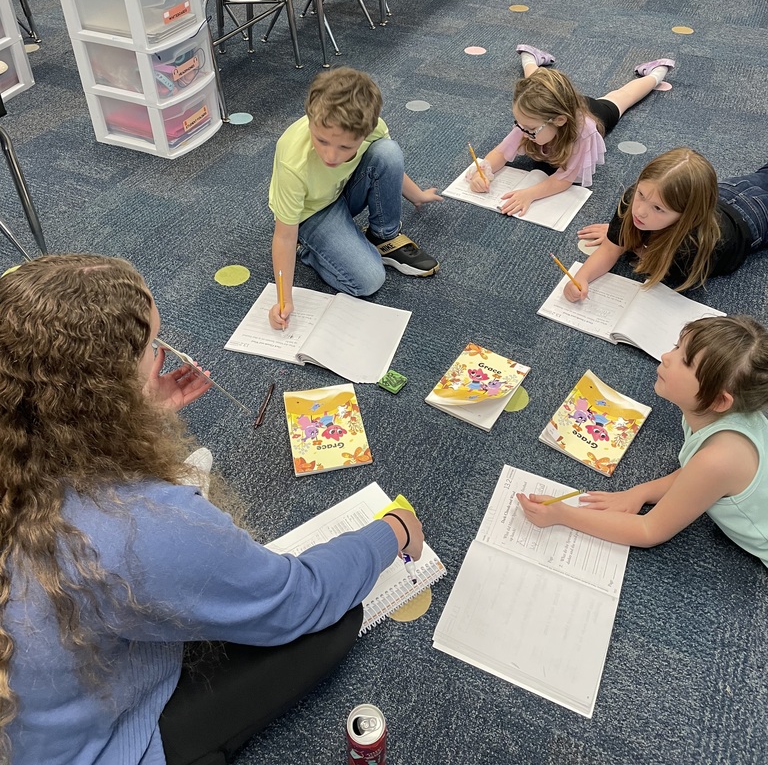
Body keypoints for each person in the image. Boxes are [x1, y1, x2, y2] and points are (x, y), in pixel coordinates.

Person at [0, 254, 424, 765]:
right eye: (153, 346)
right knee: (332, 618)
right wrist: (391, 533)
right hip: (95, 749)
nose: (164, 354)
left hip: (31, 722)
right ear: (105, 392)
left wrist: (139, 417)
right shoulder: (137, 524)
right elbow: (297, 597)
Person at [517, 315, 768, 568]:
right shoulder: (720, 416)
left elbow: (649, 530)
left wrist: (562, 514)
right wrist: (641, 492)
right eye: (676, 346)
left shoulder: (718, 459)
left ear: (719, 400)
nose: (666, 357)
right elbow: (693, 473)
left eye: (685, 362)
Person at [268, 66, 442, 330]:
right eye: (321, 140)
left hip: (342, 190)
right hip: (312, 214)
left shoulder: (371, 128)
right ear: (310, 120)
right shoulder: (294, 161)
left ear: (364, 133)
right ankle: (312, 252)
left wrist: (416, 195)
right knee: (369, 281)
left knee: (388, 151)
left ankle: (383, 236)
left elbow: (386, 165)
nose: (330, 156)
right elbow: (284, 236)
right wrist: (284, 299)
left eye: (345, 147)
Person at [465, 44, 673, 217]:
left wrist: (529, 194)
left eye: (528, 128)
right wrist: (484, 171)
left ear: (559, 121)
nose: (521, 130)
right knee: (534, 84)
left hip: (594, 112)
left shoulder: (585, 132)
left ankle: (656, 72)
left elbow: (564, 178)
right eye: (520, 124)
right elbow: (501, 152)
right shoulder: (530, 119)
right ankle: (530, 57)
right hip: (552, 105)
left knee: (623, 97)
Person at [565, 148, 768, 301]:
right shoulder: (634, 201)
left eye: (658, 209)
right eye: (641, 194)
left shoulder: (692, 245)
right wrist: (582, 277)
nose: (640, 211)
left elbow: (654, 263)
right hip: (728, 192)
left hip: (753, 220)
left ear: (685, 217)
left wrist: (628, 241)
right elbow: (611, 249)